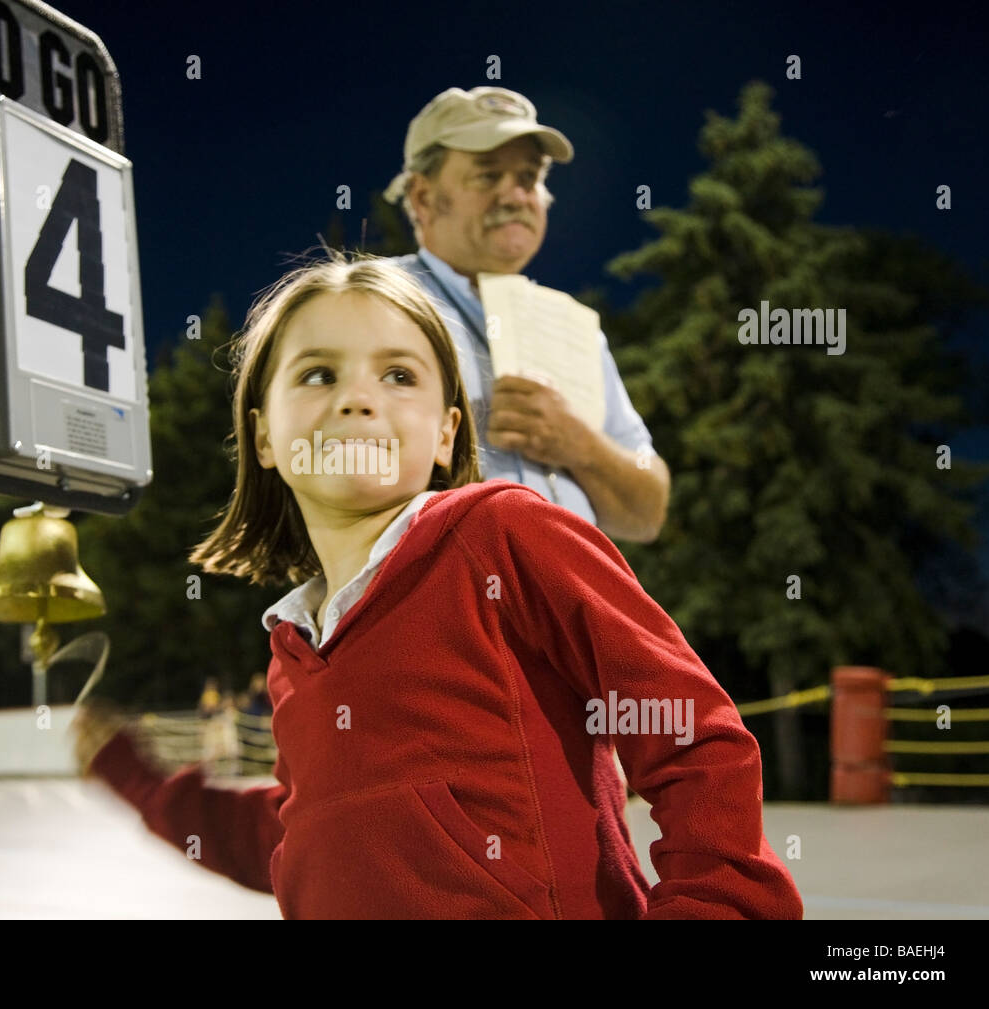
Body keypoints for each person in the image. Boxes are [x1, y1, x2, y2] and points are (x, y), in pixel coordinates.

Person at [71, 253, 801, 920]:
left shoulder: (504, 534)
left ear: (448, 432)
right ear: (263, 436)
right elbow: (295, 834)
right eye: (318, 372)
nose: (359, 397)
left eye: (398, 375)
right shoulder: (293, 649)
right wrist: (133, 776)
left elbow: (693, 733)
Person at [383, 86, 670, 543]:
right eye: (487, 175)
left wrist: (580, 444)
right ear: (423, 197)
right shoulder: (371, 301)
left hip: (566, 608)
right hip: (436, 607)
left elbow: (647, 513)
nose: (515, 195)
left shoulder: (574, 327)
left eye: (529, 177)